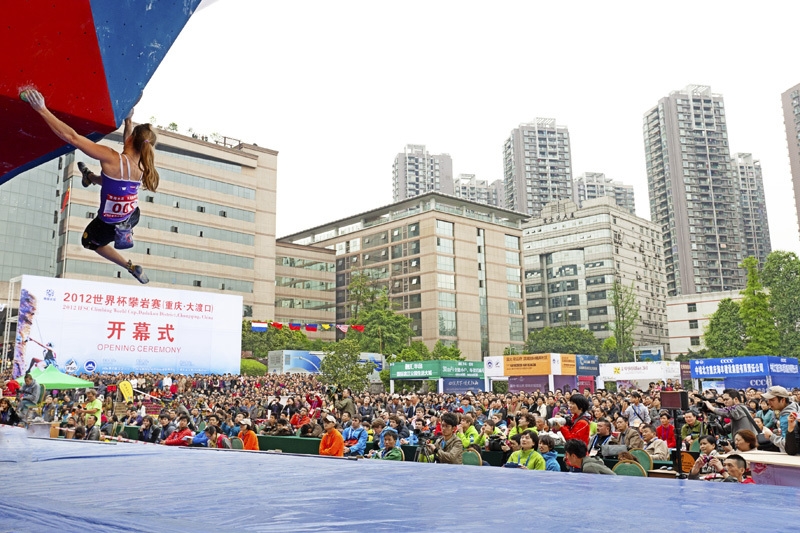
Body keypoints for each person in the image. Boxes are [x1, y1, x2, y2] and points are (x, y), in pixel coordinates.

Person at [24, 89, 157, 283]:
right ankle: (90, 178)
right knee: (112, 184)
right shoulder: (141, 168)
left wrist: (42, 109)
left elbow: (72, 137)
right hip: (131, 215)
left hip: (108, 225)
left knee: (89, 242)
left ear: (130, 140)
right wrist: (129, 121)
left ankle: (129, 265)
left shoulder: (111, 157)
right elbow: (128, 147)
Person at [760, 386, 800, 453]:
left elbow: (787, 444)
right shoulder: (795, 407)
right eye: (768, 400)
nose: (769, 403)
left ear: (783, 400)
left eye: (772, 400)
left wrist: (771, 436)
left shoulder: (787, 417)